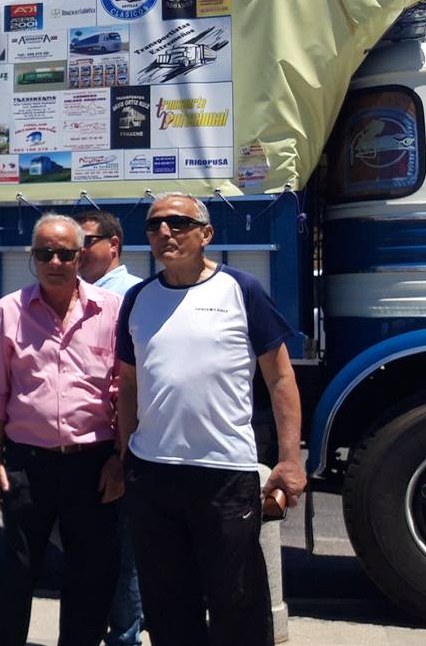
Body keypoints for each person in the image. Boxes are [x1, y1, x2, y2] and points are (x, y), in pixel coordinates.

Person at [117, 194, 306, 646]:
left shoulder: (241, 290)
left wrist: (289, 460)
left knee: (237, 605)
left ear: (206, 234)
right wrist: (125, 453)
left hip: (224, 474)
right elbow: (126, 384)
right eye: (155, 225)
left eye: (179, 222)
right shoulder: (138, 299)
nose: (166, 232)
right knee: (167, 606)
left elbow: (280, 377)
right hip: (153, 474)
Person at [0, 215, 124, 646]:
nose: (55, 261)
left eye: (64, 253)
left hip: (93, 465)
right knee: (17, 572)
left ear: (81, 256)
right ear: (32, 257)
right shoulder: (9, 311)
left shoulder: (112, 310)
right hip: (29, 464)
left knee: (91, 576)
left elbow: (124, 391)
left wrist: (119, 459)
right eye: (45, 253)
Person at [75, 209, 144, 646]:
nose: (76, 254)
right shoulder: (84, 293)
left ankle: (125, 635)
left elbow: (129, 380)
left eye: (86, 243)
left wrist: (122, 453)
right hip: (89, 444)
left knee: (122, 552)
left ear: (112, 245)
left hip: (116, 443)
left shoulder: (127, 297)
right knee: (98, 548)